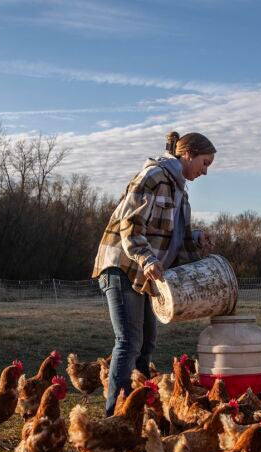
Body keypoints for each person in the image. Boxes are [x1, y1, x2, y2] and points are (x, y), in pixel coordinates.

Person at [92, 131, 217, 416]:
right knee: (129, 341)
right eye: (205, 162)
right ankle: (115, 417)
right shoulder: (153, 177)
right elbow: (130, 224)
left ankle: (137, 411)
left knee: (147, 343)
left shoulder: (179, 190)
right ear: (188, 154)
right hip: (123, 266)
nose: (206, 171)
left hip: (144, 273)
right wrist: (147, 258)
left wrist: (195, 237)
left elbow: (172, 235)